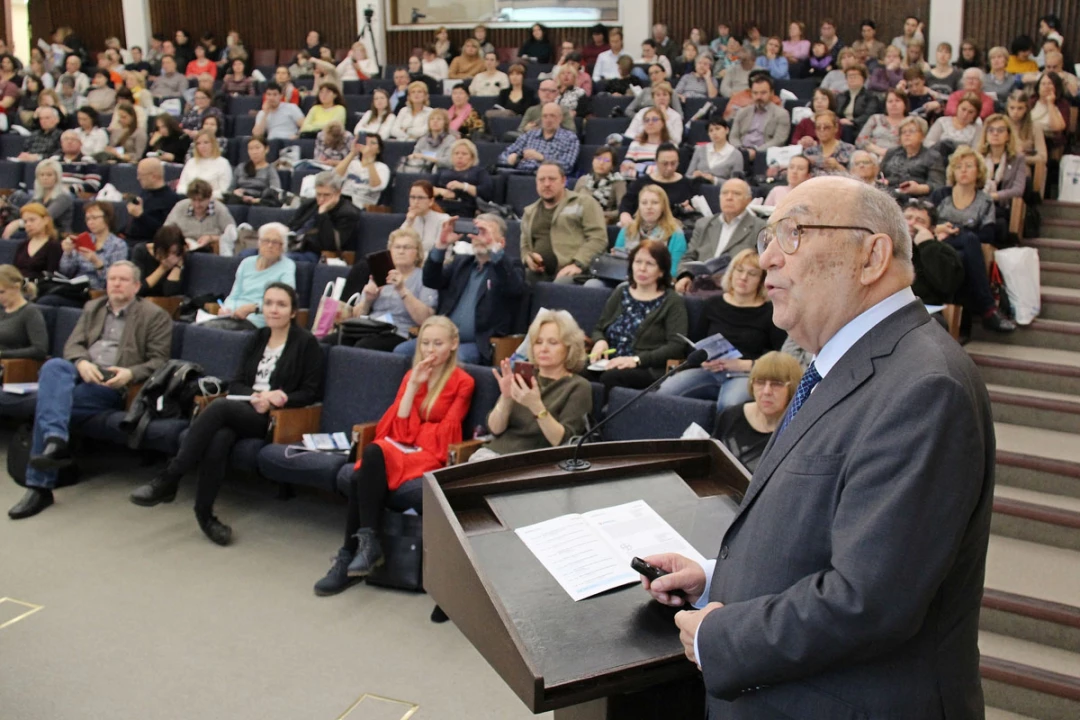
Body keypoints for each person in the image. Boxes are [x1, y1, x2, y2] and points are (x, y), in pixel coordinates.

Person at [642, 174, 996, 718]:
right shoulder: (841, 365)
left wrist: (723, 636)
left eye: (794, 233)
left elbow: (870, 600)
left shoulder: (924, 386)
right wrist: (716, 579)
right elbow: (818, 537)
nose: (767, 261)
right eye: (767, 239)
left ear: (872, 256)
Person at [132, 282, 322, 544]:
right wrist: (253, 395)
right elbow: (237, 382)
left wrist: (278, 398)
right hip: (244, 407)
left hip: (274, 419)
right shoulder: (257, 336)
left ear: (292, 312)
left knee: (219, 407)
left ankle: (171, 477)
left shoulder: (306, 343)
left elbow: (311, 392)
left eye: (281, 304)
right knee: (219, 437)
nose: (273, 310)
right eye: (268, 303)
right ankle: (205, 515)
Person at [315, 315, 474, 594]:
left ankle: (348, 555)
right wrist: (414, 385)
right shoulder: (410, 376)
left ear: (453, 344)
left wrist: (418, 432)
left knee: (361, 475)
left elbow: (445, 436)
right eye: (425, 343)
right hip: (402, 449)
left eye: (438, 343)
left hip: (429, 455)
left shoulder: (463, 382)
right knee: (374, 452)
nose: (430, 350)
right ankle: (366, 545)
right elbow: (397, 431)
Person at [9, 262, 172, 519]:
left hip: (112, 381)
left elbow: (160, 361)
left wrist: (130, 373)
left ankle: (39, 487)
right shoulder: (92, 307)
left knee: (54, 402)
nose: (116, 284)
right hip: (82, 371)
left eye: (123, 280)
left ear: (137, 286)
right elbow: (72, 346)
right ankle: (56, 440)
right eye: (112, 279)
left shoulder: (155, 315)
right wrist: (82, 362)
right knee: (54, 366)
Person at [660, 248, 785, 412]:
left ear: (762, 280)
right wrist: (703, 359)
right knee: (666, 390)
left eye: (752, 274)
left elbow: (779, 357)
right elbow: (696, 342)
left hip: (746, 374)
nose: (743, 277)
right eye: (739, 270)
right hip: (709, 370)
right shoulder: (712, 304)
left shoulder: (770, 312)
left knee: (730, 406)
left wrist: (743, 365)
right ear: (731, 273)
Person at [395, 215, 524, 365]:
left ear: (501, 243)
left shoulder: (510, 266)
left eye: (486, 232)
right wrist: (441, 245)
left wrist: (493, 248)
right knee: (401, 352)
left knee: (455, 359)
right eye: (477, 231)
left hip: (477, 343)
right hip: (441, 338)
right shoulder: (462, 263)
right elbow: (431, 280)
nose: (480, 237)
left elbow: (515, 288)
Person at [472, 311, 592, 463]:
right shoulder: (523, 376)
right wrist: (506, 398)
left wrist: (536, 406)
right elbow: (495, 429)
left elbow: (562, 442)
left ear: (569, 347)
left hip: (533, 464)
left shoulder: (578, 387)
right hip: (493, 454)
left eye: (553, 342)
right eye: (538, 342)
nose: (543, 348)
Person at [930, 146, 1016, 332]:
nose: (963, 170)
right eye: (959, 166)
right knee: (969, 239)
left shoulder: (984, 200)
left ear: (978, 171)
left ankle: (980, 310)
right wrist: (939, 228)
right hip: (937, 243)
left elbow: (988, 234)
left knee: (968, 244)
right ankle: (987, 309)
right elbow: (924, 223)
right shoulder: (941, 195)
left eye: (969, 166)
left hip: (965, 247)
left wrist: (954, 230)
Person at [587, 240, 688, 395]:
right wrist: (600, 341)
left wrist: (635, 360)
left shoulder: (672, 301)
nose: (642, 268)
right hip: (610, 362)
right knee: (576, 369)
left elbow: (676, 346)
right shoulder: (621, 292)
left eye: (650, 264)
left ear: (661, 271)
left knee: (611, 378)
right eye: (638, 262)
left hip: (646, 368)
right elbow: (599, 328)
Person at [343, 228, 438, 351]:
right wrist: (368, 300)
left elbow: (425, 319)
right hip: (371, 327)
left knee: (363, 346)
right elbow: (357, 315)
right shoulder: (380, 273)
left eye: (407, 247)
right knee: (335, 340)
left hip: (400, 331)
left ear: (417, 253)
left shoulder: (424, 278)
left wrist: (402, 290)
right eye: (397, 247)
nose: (401, 251)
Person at [713, 350, 801, 472]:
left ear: (792, 387)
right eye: (760, 382)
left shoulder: (799, 429)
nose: (766, 391)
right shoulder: (730, 415)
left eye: (776, 384)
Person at [520, 162, 607, 285]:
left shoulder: (584, 203)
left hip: (577, 271)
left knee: (561, 284)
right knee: (517, 280)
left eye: (552, 179)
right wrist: (528, 258)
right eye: (541, 180)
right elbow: (525, 246)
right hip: (540, 273)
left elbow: (598, 239)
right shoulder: (529, 211)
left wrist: (578, 264)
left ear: (563, 181)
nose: (546, 184)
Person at [675, 178, 764, 292]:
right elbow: (688, 257)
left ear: (748, 200)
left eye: (736, 193)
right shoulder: (703, 224)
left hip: (735, 290)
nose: (729, 197)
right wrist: (685, 276)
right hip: (700, 287)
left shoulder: (760, 227)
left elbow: (762, 265)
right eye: (725, 193)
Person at [44, 202, 127, 305]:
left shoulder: (118, 245)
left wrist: (97, 263)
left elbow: (114, 280)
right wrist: (68, 253)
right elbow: (66, 272)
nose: (90, 222)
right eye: (88, 219)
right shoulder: (84, 240)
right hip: (77, 289)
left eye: (94, 218)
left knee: (49, 301)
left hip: (98, 292)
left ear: (107, 218)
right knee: (47, 297)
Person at [286, 172, 361, 261]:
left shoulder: (348, 213)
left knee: (282, 259)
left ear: (338, 193)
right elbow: (292, 226)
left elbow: (331, 244)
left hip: (316, 254)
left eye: (326, 195)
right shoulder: (310, 203)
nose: (321, 199)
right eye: (318, 194)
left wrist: (322, 214)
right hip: (293, 246)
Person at [613, 185, 687, 274]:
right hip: (624, 277)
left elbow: (674, 271)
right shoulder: (627, 229)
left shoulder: (676, 233)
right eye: (644, 203)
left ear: (663, 207)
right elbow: (616, 264)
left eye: (655, 203)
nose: (649, 207)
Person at [499, 103, 579, 175]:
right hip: (520, 174)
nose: (548, 120)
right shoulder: (529, 135)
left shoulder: (570, 138)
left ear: (560, 118)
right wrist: (511, 159)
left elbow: (567, 167)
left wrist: (542, 158)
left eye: (552, 116)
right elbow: (503, 156)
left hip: (547, 177)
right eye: (545, 116)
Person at [164, 179, 237, 255]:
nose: (197, 205)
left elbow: (233, 236)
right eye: (193, 200)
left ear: (209, 198)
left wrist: (211, 238)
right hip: (183, 250)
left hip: (211, 251)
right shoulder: (180, 207)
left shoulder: (220, 209)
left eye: (201, 200)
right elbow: (166, 231)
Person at [3, 160, 74, 236]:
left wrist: (18, 223)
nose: (45, 178)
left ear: (57, 177)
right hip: (37, 232)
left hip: (57, 235)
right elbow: (23, 212)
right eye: (42, 175)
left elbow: (45, 216)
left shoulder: (63, 197)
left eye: (49, 175)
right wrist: (5, 205)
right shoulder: (38, 197)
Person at [729, 75, 790, 162]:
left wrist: (756, 152)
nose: (759, 97)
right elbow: (733, 137)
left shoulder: (782, 114)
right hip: (740, 152)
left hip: (763, 155)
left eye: (763, 93)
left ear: (772, 93)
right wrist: (741, 151)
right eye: (755, 93)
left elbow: (779, 140)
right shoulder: (742, 112)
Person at [880, 117, 944, 197]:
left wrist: (919, 189)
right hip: (888, 194)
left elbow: (938, 185)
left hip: (917, 198)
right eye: (903, 132)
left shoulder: (932, 156)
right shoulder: (891, 152)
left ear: (923, 136)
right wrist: (883, 181)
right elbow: (880, 175)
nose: (907, 134)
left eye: (912, 131)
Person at [977, 114, 1029, 211]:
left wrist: (992, 196)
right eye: (991, 130)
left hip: (1002, 208)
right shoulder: (977, 157)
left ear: (1008, 136)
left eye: (1000, 130)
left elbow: (1018, 190)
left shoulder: (1017, 159)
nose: (995, 133)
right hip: (977, 205)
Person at [432, 139, 493, 220]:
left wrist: (464, 186)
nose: (459, 156)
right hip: (441, 207)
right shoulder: (443, 172)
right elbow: (427, 190)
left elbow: (486, 192)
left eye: (464, 154)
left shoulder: (479, 172)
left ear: (472, 157)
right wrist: (441, 191)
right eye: (456, 153)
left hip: (465, 209)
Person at [125, 158, 181, 243]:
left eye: (141, 174)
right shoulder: (145, 192)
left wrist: (141, 215)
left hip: (149, 242)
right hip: (131, 239)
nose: (138, 178)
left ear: (154, 176)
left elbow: (165, 230)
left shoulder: (170, 199)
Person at [0, 264, 48, 360]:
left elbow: (40, 349)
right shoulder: (2, 311)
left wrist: (3, 354)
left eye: (2, 292)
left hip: (13, 367)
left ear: (16, 287)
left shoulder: (30, 312)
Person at [334, 135, 390, 211]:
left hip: (362, 206)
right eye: (365, 142)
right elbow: (335, 177)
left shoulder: (382, 167)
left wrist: (369, 161)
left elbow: (376, 187)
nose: (368, 145)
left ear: (378, 150)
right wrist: (352, 153)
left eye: (372, 143)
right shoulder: (353, 163)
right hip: (343, 200)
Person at [8, 204, 62, 281]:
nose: (28, 224)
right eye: (25, 221)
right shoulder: (22, 245)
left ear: (45, 220)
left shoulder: (54, 246)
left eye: (32, 220)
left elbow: (51, 275)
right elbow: (14, 271)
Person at [132, 224, 186, 297]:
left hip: (165, 302)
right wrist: (162, 268)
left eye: (174, 252)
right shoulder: (141, 251)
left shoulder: (180, 257)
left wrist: (177, 266)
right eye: (166, 252)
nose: (170, 257)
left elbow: (169, 292)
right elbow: (138, 289)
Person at [177, 130, 232, 200]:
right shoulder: (191, 162)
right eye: (198, 143)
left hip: (212, 201)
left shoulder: (223, 163)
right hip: (188, 199)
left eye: (206, 142)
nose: (202, 146)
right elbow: (181, 186)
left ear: (213, 143)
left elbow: (224, 191)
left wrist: (202, 196)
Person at [228, 136, 281, 206]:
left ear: (266, 149)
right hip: (239, 199)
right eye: (251, 149)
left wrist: (255, 200)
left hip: (258, 200)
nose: (254, 152)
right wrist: (235, 192)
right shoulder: (241, 167)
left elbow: (275, 191)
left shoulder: (270, 170)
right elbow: (230, 189)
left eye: (257, 148)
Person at [621, 107, 669, 178]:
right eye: (646, 120)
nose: (650, 123)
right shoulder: (635, 145)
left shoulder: (669, 147)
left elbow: (664, 171)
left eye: (655, 119)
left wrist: (635, 166)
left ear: (662, 124)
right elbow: (624, 170)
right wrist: (648, 171)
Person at [1007, 90, 1047, 168]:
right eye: (1012, 108)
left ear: (1026, 109)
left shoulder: (1035, 126)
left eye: (1020, 108)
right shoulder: (1001, 124)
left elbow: (1043, 157)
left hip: (1024, 166)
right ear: (1007, 108)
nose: (1015, 112)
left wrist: (1022, 159)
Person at [836, 64, 880, 133]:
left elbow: (868, 115)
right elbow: (835, 113)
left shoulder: (871, 96)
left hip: (860, 127)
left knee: (847, 129)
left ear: (863, 78)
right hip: (841, 126)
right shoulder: (840, 96)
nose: (852, 78)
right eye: (849, 76)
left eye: (855, 76)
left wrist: (852, 122)